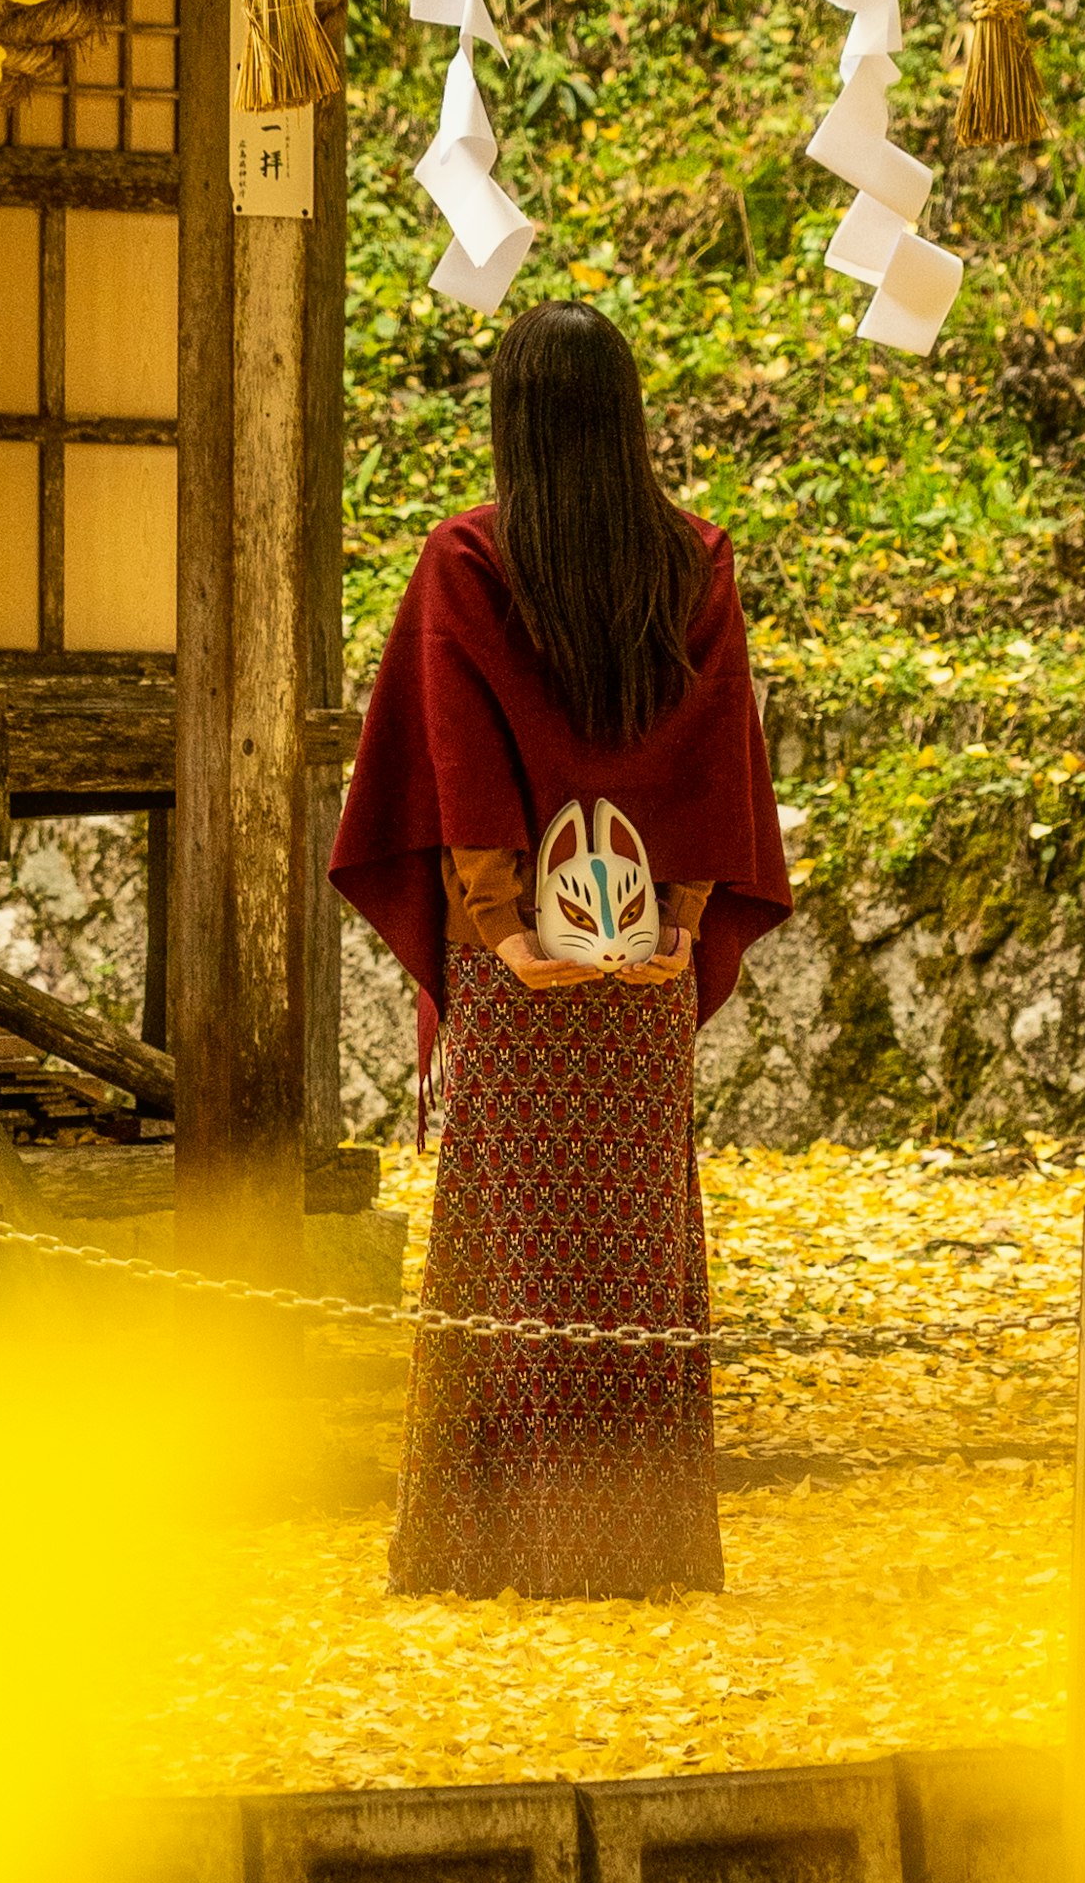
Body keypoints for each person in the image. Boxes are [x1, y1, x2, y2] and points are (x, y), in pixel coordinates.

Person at [330, 302, 793, 1598]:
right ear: (628, 412)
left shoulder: (466, 562)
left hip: (518, 972)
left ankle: (497, 1550)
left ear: (512, 418)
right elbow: (711, 766)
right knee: (637, 1262)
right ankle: (638, 1547)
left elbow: (456, 763)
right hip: (642, 974)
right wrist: (676, 930)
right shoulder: (694, 560)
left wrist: (506, 931)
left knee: (508, 1249)